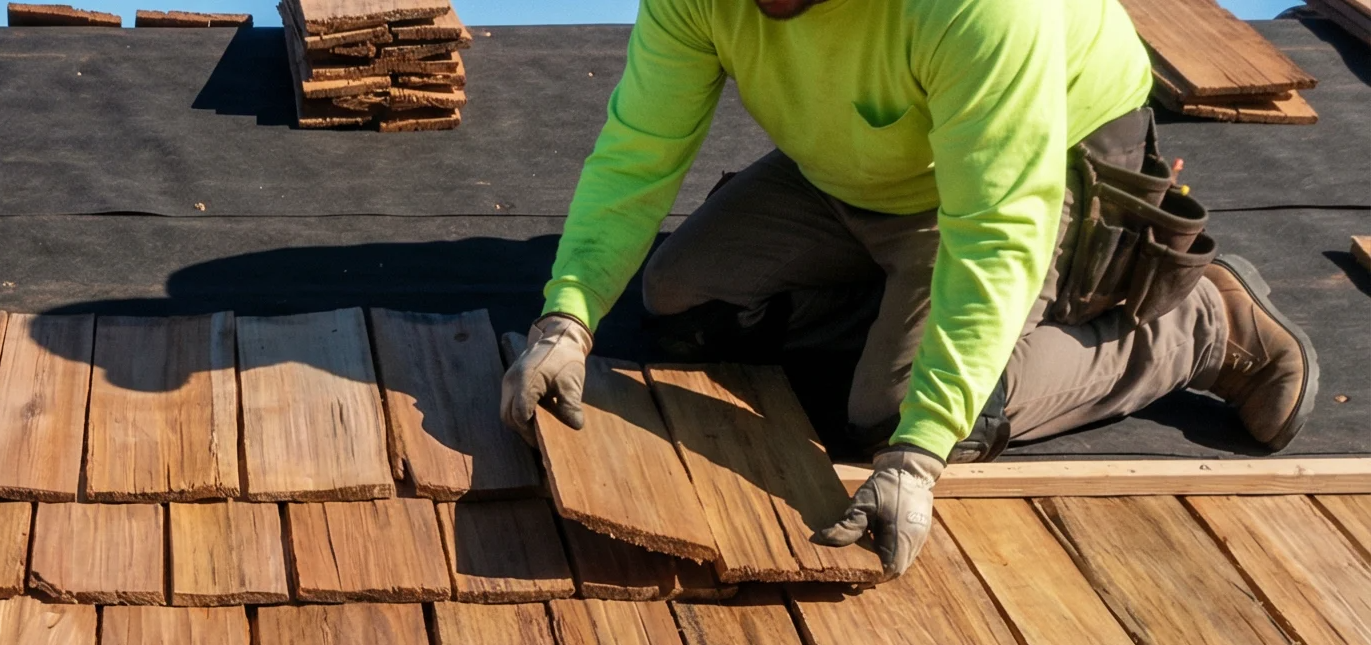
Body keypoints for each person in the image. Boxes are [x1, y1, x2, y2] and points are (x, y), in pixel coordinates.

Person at [500, 0, 1320, 577]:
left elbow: (995, 227)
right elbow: (639, 150)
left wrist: (921, 451)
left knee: (890, 413)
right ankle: (905, 300)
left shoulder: (974, 8)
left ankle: (1197, 327)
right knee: (687, 304)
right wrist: (567, 315)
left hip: (1037, 154)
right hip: (868, 158)